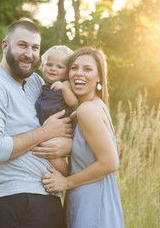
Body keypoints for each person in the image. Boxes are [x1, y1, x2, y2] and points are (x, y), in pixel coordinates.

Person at [0, 19, 73, 228]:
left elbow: (59, 123)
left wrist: (67, 145)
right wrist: (45, 133)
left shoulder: (36, 82)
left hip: (49, 196)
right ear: (5, 46)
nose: (29, 53)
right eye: (22, 45)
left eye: (35, 47)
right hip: (16, 199)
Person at [41, 47, 124, 228]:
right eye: (74, 68)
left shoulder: (88, 110)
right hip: (85, 199)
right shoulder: (87, 108)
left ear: (99, 77)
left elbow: (110, 163)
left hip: (93, 204)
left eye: (87, 69)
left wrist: (66, 182)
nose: (79, 74)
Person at [35, 45, 78, 176]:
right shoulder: (44, 86)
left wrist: (64, 88)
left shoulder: (65, 84)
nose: (53, 69)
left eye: (59, 67)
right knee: (46, 153)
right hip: (48, 129)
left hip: (61, 128)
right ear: (43, 66)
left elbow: (73, 102)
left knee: (52, 155)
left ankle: (69, 176)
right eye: (49, 64)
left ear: (66, 72)